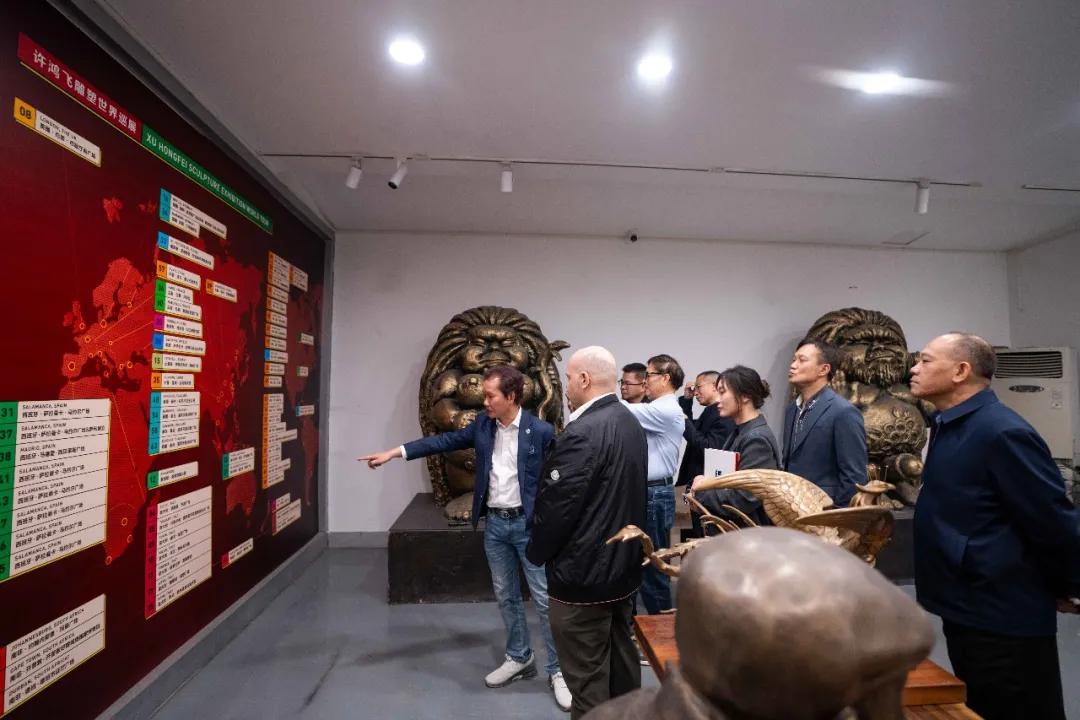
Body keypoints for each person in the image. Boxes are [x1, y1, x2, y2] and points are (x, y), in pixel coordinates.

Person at [359, 365, 571, 711]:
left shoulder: (541, 431)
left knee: (544, 600)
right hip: (496, 527)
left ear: (511, 397)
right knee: (505, 596)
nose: (484, 402)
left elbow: (557, 480)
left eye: (490, 396)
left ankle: (558, 670)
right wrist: (395, 452)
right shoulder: (484, 426)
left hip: (529, 528)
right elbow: (441, 441)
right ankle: (519, 657)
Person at [909, 332, 1080, 720]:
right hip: (966, 602)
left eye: (925, 360)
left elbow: (1050, 520)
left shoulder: (1002, 431)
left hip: (1002, 611)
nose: (914, 369)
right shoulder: (949, 424)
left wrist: (1069, 584)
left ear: (961, 371)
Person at [526, 346, 648, 720]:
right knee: (623, 672)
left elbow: (557, 509)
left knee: (588, 684)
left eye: (567, 379)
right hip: (621, 572)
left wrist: (536, 553)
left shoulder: (582, 432)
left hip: (582, 578)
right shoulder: (629, 422)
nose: (565, 388)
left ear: (583, 379)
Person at [622, 354, 685, 614]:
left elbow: (625, 410)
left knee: (653, 566)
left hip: (655, 494)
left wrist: (599, 395)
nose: (645, 380)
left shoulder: (666, 409)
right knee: (641, 564)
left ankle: (662, 630)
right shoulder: (658, 408)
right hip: (648, 492)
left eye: (649, 375)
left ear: (665, 378)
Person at [690, 365, 781, 525]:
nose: (718, 399)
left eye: (722, 392)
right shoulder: (740, 431)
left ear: (745, 396)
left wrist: (700, 493)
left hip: (748, 533)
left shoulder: (756, 439)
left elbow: (744, 497)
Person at [782, 339, 866, 506]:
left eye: (802, 360)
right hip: (793, 506)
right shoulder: (792, 409)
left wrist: (833, 514)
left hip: (825, 511)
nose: (793, 365)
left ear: (824, 369)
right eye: (793, 360)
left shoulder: (843, 412)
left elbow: (854, 477)